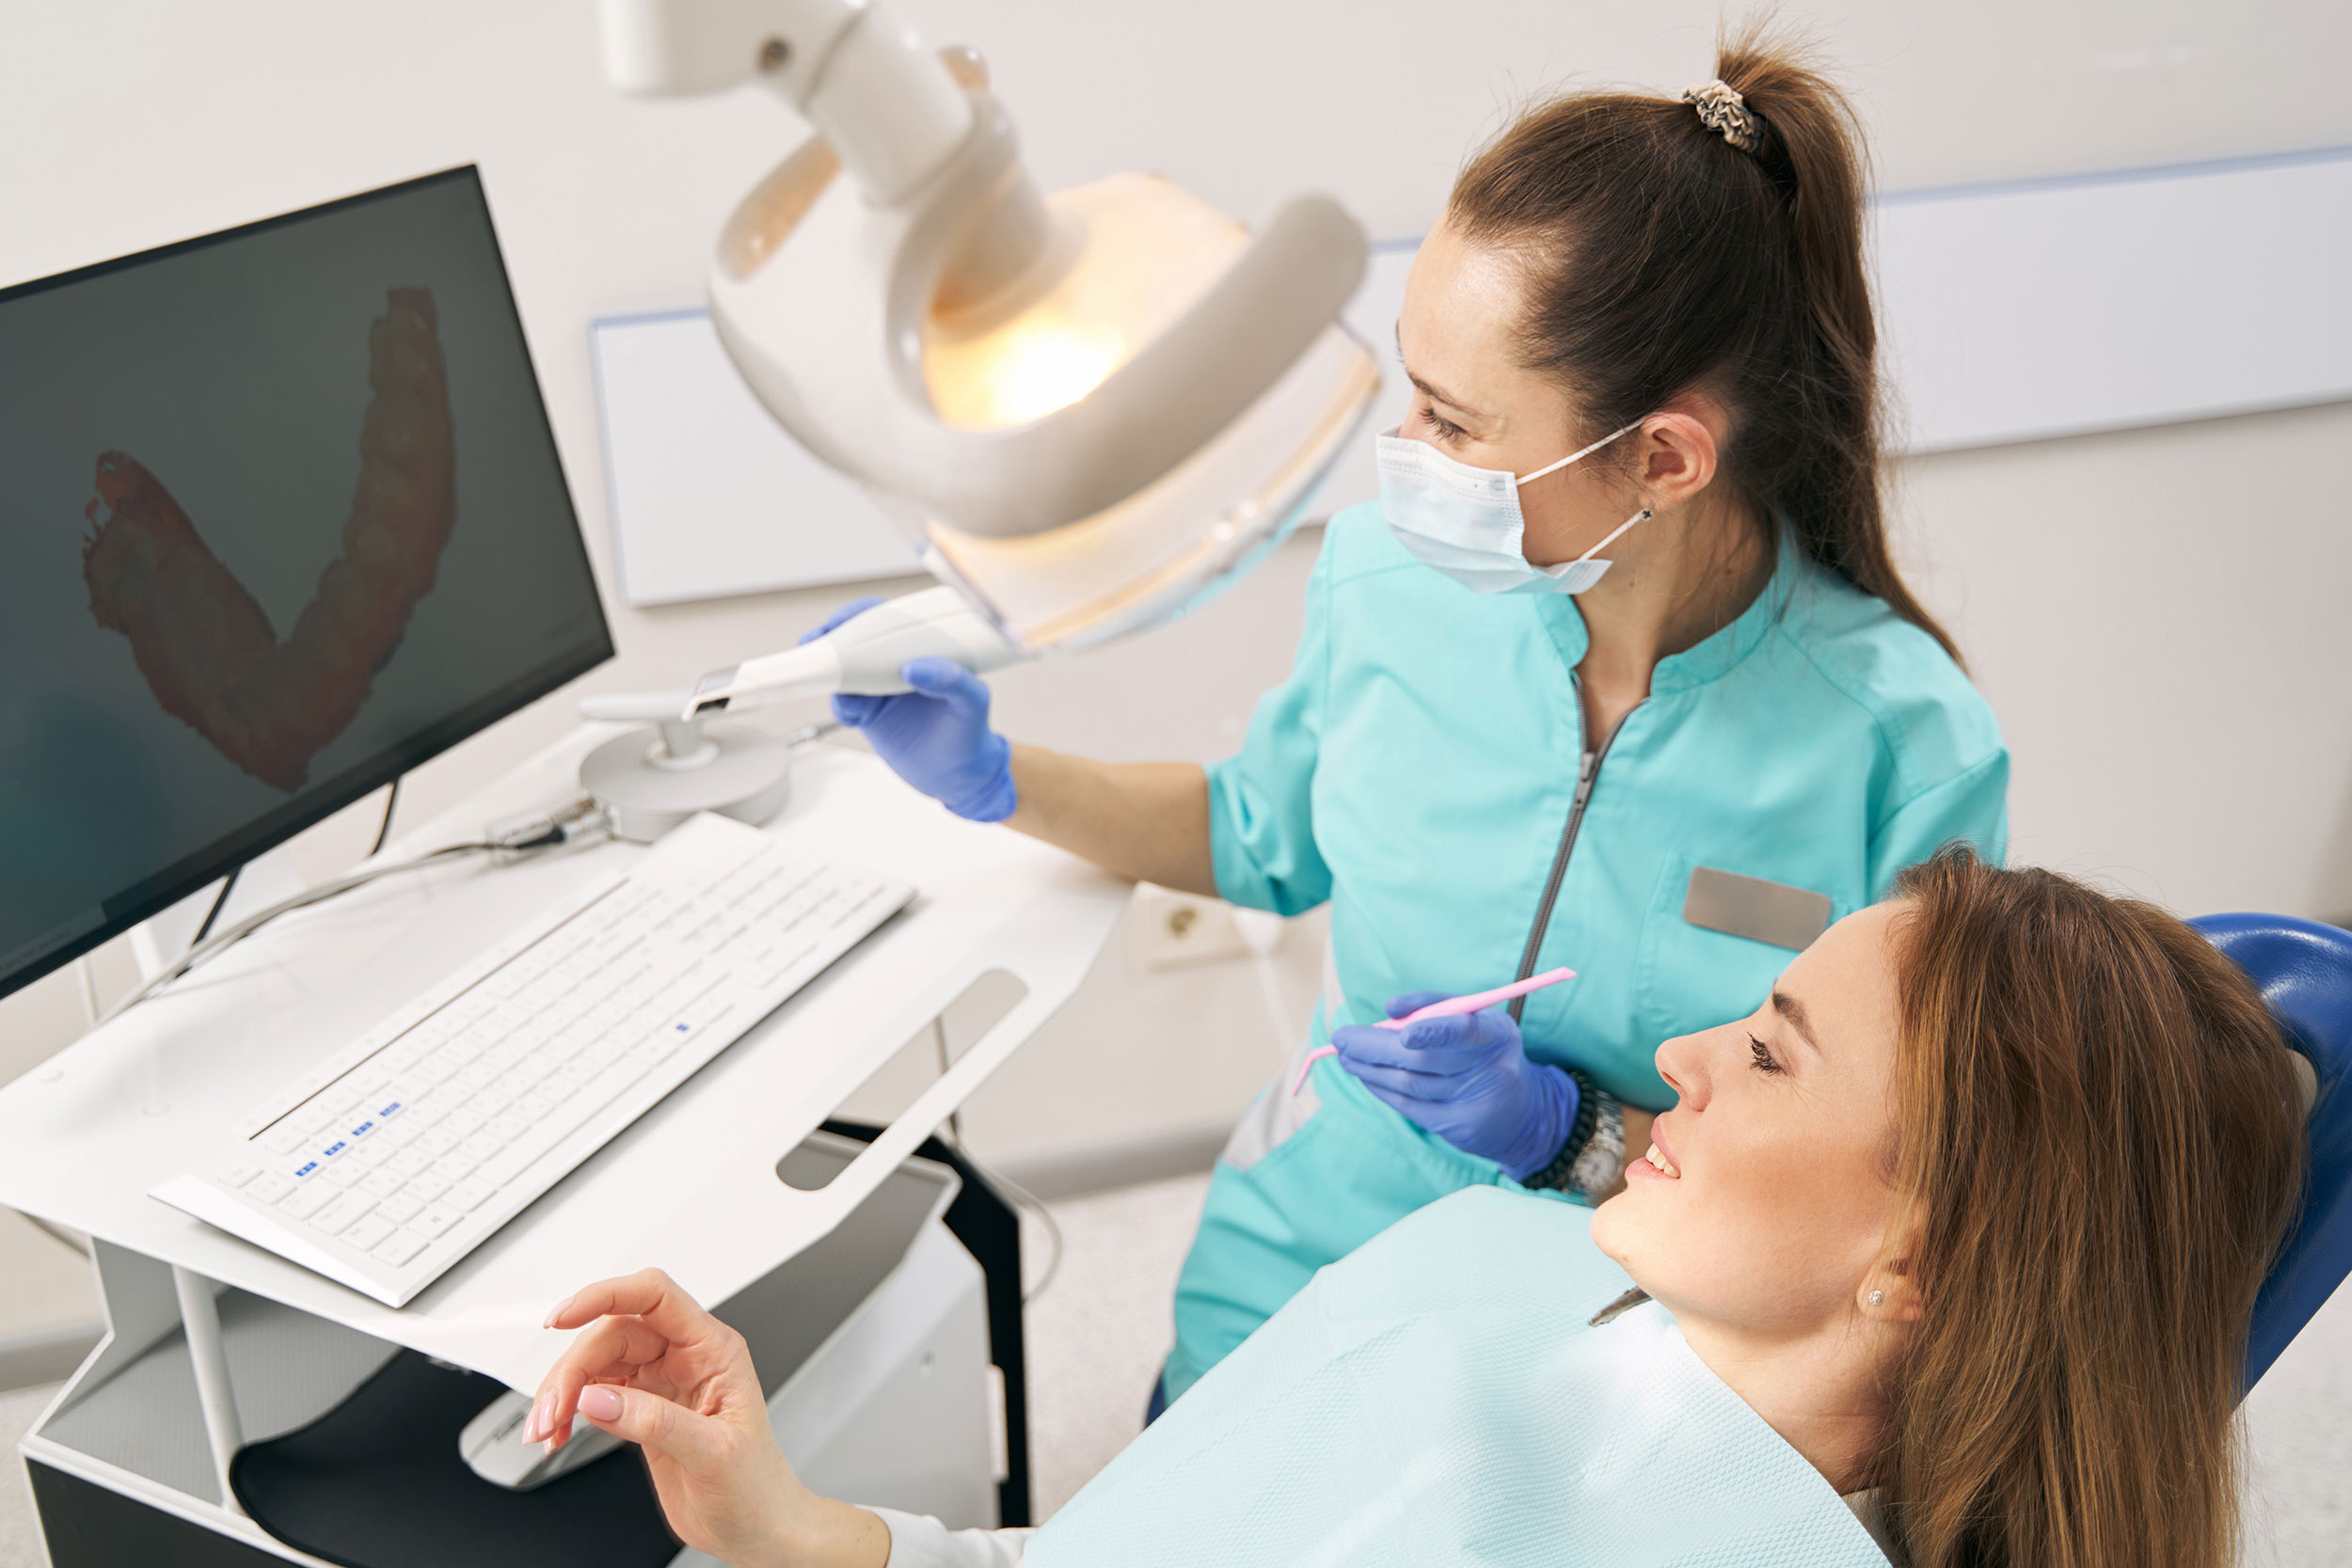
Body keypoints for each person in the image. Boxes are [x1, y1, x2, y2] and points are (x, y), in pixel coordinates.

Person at [806, 28, 2010, 1403]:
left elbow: (1893, 1188)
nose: (1408, 459)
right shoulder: (1387, 584)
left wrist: (1576, 1136)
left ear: (1661, 460)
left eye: (1454, 421)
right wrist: (995, 775)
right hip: (1307, 1250)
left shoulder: (1901, 749)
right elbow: (1258, 835)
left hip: (1632, 1325)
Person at [521, 848, 2307, 1568]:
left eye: (1769, 1054)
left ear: (1921, 1261)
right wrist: (790, 1525)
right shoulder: (1501, 1252)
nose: (1677, 1053)